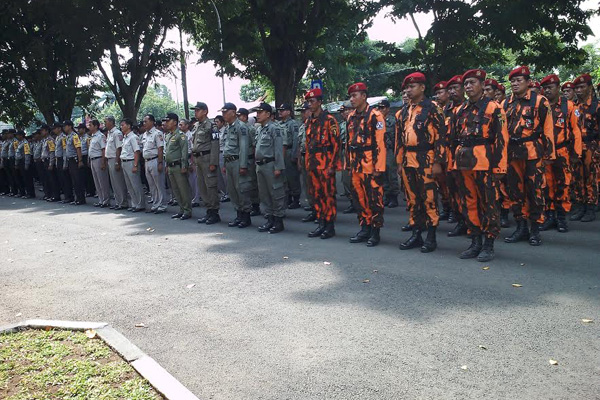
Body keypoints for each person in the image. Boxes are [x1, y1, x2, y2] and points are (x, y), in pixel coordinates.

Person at [451, 69, 508, 261]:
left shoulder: (494, 107)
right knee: (468, 203)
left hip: (486, 162)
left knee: (489, 204)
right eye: (465, 84)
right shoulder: (460, 110)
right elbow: (453, 139)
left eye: (472, 82)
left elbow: (502, 139)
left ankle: (489, 243)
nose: (468, 87)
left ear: (483, 85)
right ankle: (475, 241)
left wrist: (500, 167)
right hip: (463, 163)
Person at [503, 66, 555, 246]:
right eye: (513, 81)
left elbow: (548, 129)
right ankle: (520, 226)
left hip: (533, 152)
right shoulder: (506, 103)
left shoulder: (540, 101)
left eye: (519, 80)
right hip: (512, 153)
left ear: (527, 82)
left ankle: (535, 229)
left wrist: (550, 154)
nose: (515, 83)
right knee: (515, 191)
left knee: (535, 191)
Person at [396, 72, 446, 253]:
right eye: (407, 87)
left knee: (429, 199)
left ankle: (431, 237)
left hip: (427, 159)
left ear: (422, 88)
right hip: (408, 160)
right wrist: (399, 162)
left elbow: (441, 137)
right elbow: (399, 139)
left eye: (412, 86)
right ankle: (416, 234)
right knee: (412, 199)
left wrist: (438, 162)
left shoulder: (433, 108)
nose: (408, 90)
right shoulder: (403, 111)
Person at [539, 74, 582, 232]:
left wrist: (576, 153)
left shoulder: (569, 106)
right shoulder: (541, 105)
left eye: (550, 87)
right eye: (545, 88)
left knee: (563, 183)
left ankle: (562, 217)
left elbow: (576, 131)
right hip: (545, 152)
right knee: (547, 183)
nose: (547, 90)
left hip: (563, 150)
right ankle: (550, 215)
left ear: (558, 88)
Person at [346, 82, 386, 247]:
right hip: (356, 164)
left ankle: (375, 231)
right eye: (350, 96)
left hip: (371, 164)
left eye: (354, 95)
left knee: (374, 199)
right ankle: (365, 227)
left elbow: (380, 143)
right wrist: (349, 164)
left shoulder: (376, 115)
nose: (352, 99)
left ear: (364, 96)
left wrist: (379, 167)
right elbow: (348, 142)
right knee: (359, 198)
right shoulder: (351, 116)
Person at [304, 88, 340, 239]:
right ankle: (321, 223)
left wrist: (333, 166)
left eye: (312, 101)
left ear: (320, 102)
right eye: (308, 102)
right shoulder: (309, 121)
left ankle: (329, 225)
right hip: (313, 164)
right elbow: (307, 145)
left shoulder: (329, 120)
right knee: (316, 195)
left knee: (328, 195)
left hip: (325, 164)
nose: (309, 104)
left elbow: (337, 144)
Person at [253, 102, 286, 233]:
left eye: (260, 112)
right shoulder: (260, 129)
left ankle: (278, 221)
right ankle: (270, 219)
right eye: (257, 112)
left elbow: (278, 149)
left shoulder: (274, 128)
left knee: (275, 193)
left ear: (268, 114)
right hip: (260, 165)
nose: (258, 115)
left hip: (271, 164)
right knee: (264, 194)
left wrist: (278, 167)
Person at [571, 73, 599, 222]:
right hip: (576, 147)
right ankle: (580, 205)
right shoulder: (574, 106)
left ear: (589, 87)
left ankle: (590, 207)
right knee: (577, 177)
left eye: (582, 87)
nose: (579, 90)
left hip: (591, 146)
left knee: (591, 178)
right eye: (577, 87)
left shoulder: (596, 106)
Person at [190, 102, 221, 225]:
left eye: (198, 110)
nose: (195, 112)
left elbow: (215, 144)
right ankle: (208, 210)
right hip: (198, 159)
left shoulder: (212, 126)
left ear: (205, 111)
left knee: (211, 186)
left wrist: (213, 162)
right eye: (195, 110)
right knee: (202, 186)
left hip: (207, 158)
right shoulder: (196, 125)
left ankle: (214, 212)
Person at [445, 75, 469, 236]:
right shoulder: (446, 110)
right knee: (453, 191)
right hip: (449, 156)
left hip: (466, 156)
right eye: (450, 89)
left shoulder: (469, 108)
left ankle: (471, 223)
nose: (453, 91)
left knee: (467, 192)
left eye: (456, 88)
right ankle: (460, 220)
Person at [163, 113, 192, 220]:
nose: (166, 123)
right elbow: (168, 152)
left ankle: (187, 210)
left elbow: (184, 152)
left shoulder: (181, 135)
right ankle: (181, 209)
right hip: (170, 166)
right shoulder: (168, 135)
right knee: (175, 190)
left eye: (168, 121)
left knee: (183, 189)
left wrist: (184, 166)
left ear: (174, 122)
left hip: (179, 166)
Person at [432, 81, 451, 220]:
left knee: (452, 183)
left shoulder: (455, 109)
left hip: (451, 151)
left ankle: (455, 211)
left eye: (441, 92)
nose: (438, 95)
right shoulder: (436, 109)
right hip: (438, 151)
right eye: (437, 93)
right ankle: (446, 207)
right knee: (441, 182)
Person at [141, 114, 168, 214]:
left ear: (152, 122)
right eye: (143, 122)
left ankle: (162, 205)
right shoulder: (144, 134)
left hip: (155, 160)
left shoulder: (157, 133)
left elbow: (160, 148)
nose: (144, 123)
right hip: (147, 161)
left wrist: (160, 162)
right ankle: (155, 204)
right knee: (151, 185)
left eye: (146, 121)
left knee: (159, 184)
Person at [277, 103, 302, 209]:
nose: (280, 112)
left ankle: (296, 199)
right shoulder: (278, 124)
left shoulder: (293, 124)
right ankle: (288, 198)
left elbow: (296, 139)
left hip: (289, 150)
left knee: (292, 176)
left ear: (288, 112)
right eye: (280, 110)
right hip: (281, 151)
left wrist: (295, 155)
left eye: (282, 110)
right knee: (284, 177)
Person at [237, 107, 261, 216]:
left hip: (250, 158)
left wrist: (255, 159)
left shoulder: (250, 128)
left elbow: (254, 145)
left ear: (245, 117)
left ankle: (256, 205)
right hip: (240, 158)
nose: (238, 118)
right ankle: (247, 205)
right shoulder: (237, 128)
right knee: (243, 185)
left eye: (239, 116)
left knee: (252, 183)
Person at [378, 99, 400, 209]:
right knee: (383, 173)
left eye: (383, 108)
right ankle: (386, 194)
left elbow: (397, 136)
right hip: (380, 150)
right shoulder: (378, 120)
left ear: (387, 108)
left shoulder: (393, 120)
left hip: (390, 149)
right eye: (379, 108)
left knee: (391, 172)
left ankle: (393, 196)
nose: (381, 110)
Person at [119, 119, 145, 212]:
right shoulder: (125, 137)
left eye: (123, 125)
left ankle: (140, 204)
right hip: (124, 161)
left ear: (129, 126)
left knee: (135, 184)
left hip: (131, 161)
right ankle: (134, 203)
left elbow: (137, 151)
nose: (121, 127)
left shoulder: (133, 137)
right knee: (129, 185)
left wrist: (135, 165)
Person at [297, 102, 316, 222]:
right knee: (307, 184)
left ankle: (321, 210)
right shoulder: (302, 126)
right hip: (304, 157)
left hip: (314, 158)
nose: (303, 114)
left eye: (305, 111)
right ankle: (313, 208)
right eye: (302, 112)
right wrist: (299, 160)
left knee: (315, 185)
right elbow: (300, 145)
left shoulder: (316, 125)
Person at [104, 116, 128, 210]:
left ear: (111, 122)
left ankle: (123, 202)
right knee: (114, 183)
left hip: (115, 158)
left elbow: (118, 148)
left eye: (106, 122)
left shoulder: (117, 133)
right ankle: (118, 202)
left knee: (119, 182)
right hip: (110, 158)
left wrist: (117, 162)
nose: (105, 123)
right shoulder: (109, 133)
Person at [87, 120, 110, 208]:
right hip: (93, 160)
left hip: (99, 159)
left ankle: (105, 200)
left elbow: (103, 149)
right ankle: (101, 200)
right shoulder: (92, 136)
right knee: (97, 181)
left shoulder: (101, 136)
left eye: (91, 125)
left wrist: (103, 162)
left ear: (96, 126)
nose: (89, 127)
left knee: (102, 181)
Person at [339, 102, 356, 214]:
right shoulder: (341, 125)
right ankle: (352, 201)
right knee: (346, 178)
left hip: (355, 152)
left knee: (355, 179)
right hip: (344, 151)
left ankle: (358, 202)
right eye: (344, 110)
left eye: (348, 110)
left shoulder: (357, 123)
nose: (345, 112)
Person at [63, 120, 86, 205]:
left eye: (65, 126)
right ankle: (77, 198)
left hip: (75, 159)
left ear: (69, 126)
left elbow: (78, 148)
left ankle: (81, 199)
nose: (64, 128)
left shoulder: (74, 136)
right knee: (74, 180)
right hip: (70, 160)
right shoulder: (68, 136)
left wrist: (80, 160)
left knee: (78, 180)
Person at [54, 122, 73, 203]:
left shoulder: (63, 138)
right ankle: (66, 196)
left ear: (59, 128)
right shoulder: (57, 137)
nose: (54, 130)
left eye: (55, 128)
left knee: (66, 179)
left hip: (63, 159)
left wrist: (65, 163)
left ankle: (69, 197)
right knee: (61, 179)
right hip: (58, 159)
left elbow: (65, 151)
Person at [14, 130, 35, 198]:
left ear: (21, 135)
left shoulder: (25, 143)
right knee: (22, 178)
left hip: (24, 161)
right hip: (20, 161)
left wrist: (26, 164)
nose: (16, 136)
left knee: (27, 178)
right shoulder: (19, 143)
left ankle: (30, 193)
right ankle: (23, 192)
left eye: (17, 135)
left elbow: (27, 154)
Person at [215, 115, 229, 202]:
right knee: (219, 175)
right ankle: (224, 193)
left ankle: (228, 193)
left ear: (222, 122)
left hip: (223, 153)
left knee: (225, 175)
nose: (215, 124)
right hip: (217, 153)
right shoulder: (216, 131)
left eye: (217, 122)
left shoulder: (225, 131)